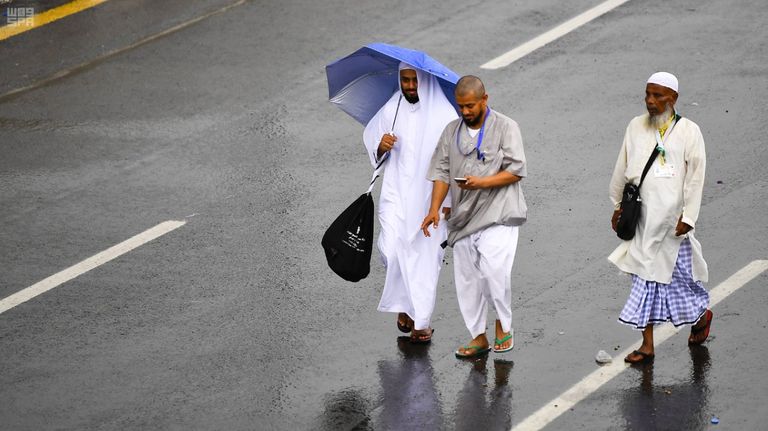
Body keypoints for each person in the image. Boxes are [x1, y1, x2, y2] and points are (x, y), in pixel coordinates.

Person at [609, 72, 712, 364]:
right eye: (648, 95)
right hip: (642, 220)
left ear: (674, 99)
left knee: (679, 282)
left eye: (658, 96)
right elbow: (622, 167)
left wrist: (689, 216)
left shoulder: (690, 131)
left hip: (671, 224)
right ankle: (647, 345)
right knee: (644, 281)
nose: (651, 102)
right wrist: (617, 205)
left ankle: (701, 315)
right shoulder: (635, 126)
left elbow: (696, 178)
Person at [421, 75, 527, 358]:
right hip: (463, 217)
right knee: (468, 280)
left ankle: (503, 325)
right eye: (460, 106)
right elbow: (442, 171)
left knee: (495, 271)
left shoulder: (506, 127)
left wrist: (481, 183)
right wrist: (434, 209)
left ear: (484, 100)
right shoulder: (451, 131)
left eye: (470, 106)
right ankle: (477, 336)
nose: (465, 112)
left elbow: (516, 170)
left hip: (499, 213)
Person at [363, 62, 458, 343]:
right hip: (395, 194)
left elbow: (454, 162)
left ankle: (421, 322)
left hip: (432, 199)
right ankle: (405, 304)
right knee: (390, 250)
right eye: (405, 81)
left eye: (414, 81)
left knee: (426, 260)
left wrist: (447, 203)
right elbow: (372, 142)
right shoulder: (392, 109)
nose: (410, 86)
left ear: (425, 81)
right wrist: (381, 147)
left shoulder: (444, 115)